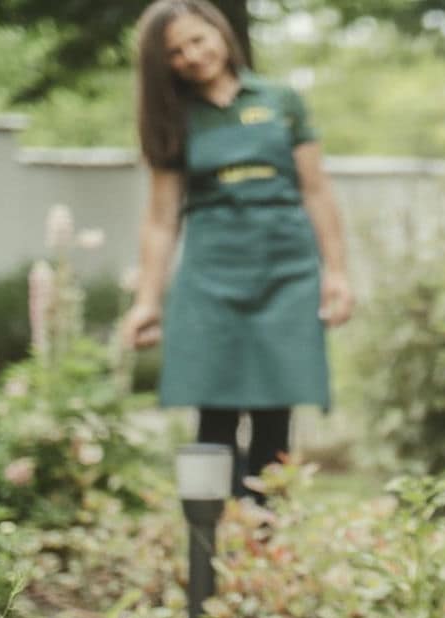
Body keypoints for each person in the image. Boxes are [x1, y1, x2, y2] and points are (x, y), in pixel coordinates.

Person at [120, 0, 353, 502]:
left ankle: (266, 544)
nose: (192, 56)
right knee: (215, 412)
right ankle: (210, 545)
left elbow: (316, 189)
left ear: (219, 32)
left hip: (285, 274)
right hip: (212, 278)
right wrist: (147, 300)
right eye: (176, 53)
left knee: (276, 413)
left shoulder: (281, 100)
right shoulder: (174, 118)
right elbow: (161, 220)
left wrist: (336, 272)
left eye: (197, 40)